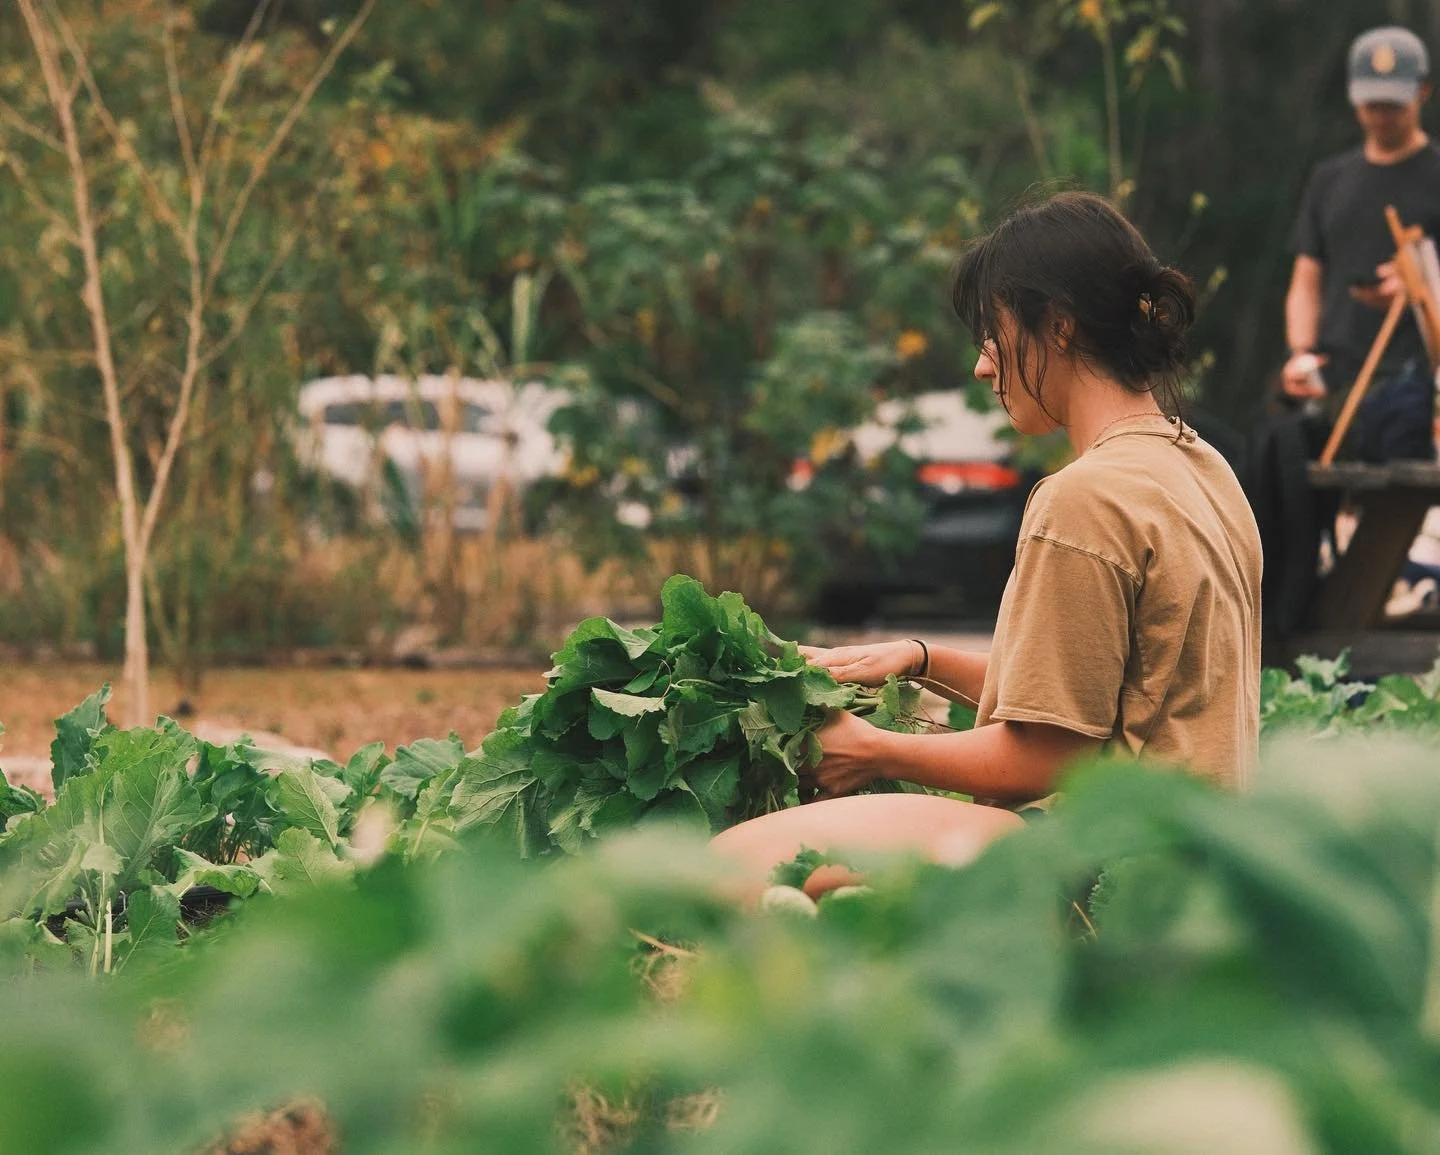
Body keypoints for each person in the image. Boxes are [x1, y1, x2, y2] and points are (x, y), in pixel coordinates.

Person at [710, 192, 1262, 889]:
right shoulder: (1200, 466)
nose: (982, 365)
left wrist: (875, 749)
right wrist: (921, 657)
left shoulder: (1082, 500)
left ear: (1058, 327)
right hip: (1203, 855)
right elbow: (1111, 690)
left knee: (737, 865)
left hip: (1103, 862)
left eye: (994, 334)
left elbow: (1049, 755)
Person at [1282, 24, 1440, 462]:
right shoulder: (1329, 180)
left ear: (1422, 92)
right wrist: (1301, 353)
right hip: (1338, 380)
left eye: (1392, 104)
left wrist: (1419, 284)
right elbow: (1306, 281)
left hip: (1418, 385)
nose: (1381, 115)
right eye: (1372, 104)